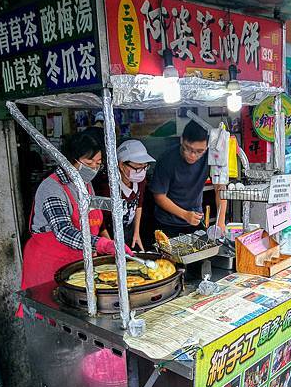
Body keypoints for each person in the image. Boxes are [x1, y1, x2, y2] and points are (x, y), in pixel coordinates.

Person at [17, 128, 132, 315]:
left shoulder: (85, 184)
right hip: (48, 264)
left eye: (98, 163)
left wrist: (111, 245)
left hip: (76, 263)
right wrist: (102, 245)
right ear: (71, 159)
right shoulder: (51, 188)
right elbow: (63, 231)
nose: (94, 168)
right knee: (50, 316)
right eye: (89, 162)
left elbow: (95, 222)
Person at [150, 120, 227, 238]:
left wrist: (220, 222)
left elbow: (220, 188)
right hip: (168, 222)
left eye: (199, 151)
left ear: (207, 147)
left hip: (195, 218)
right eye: (188, 148)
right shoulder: (167, 159)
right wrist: (185, 215)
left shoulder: (211, 156)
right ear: (182, 140)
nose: (192, 155)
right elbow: (159, 196)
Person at [96, 139, 155, 250]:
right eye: (137, 168)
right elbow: (100, 220)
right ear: (121, 165)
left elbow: (139, 204)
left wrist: (136, 233)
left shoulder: (140, 180)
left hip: (128, 231)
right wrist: (110, 245)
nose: (142, 171)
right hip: (109, 234)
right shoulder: (107, 187)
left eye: (145, 167)